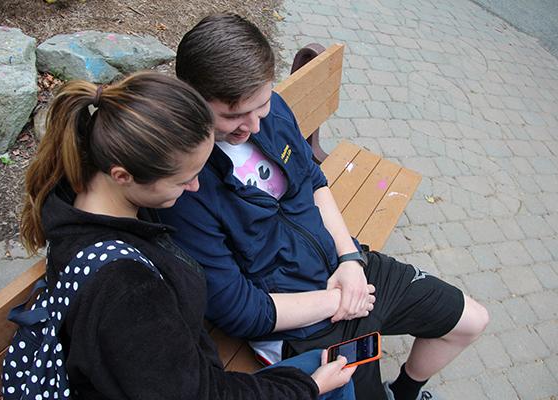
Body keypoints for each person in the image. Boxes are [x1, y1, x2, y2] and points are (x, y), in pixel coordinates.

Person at [157, 14, 490, 400]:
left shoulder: (275, 111)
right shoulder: (187, 183)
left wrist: (349, 259)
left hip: (346, 271)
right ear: (192, 100)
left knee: (471, 321)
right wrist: (338, 301)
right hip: (301, 325)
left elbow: (313, 182)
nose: (254, 126)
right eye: (232, 116)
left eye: (261, 105)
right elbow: (240, 310)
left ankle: (403, 392)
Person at [18, 70, 356, 399]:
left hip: (171, 369)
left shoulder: (90, 196)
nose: (195, 187)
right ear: (122, 175)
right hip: (195, 380)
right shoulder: (126, 290)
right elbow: (198, 391)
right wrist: (307, 389)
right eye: (184, 180)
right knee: (339, 375)